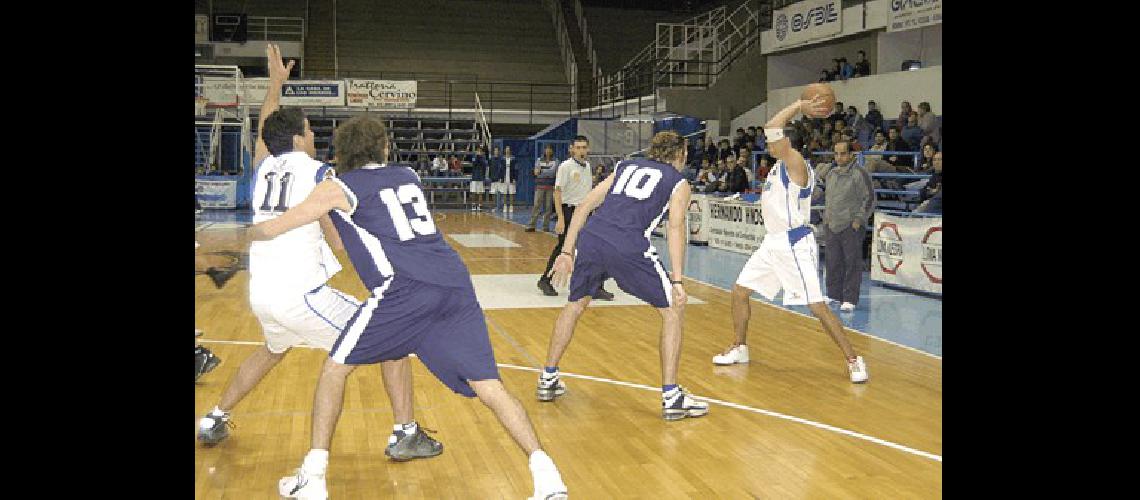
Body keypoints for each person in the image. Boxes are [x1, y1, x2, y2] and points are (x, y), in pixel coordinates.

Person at [250, 115, 569, 500]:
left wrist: (245, 237)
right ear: (383, 147)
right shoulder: (408, 175)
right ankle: (547, 476)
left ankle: (313, 479)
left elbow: (275, 226)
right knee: (490, 386)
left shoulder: (338, 188)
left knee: (335, 370)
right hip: (454, 283)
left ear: (345, 149)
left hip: (402, 290)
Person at [196, 46, 440, 465]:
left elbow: (263, 129)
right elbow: (343, 241)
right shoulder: (319, 174)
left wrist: (276, 85)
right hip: (302, 296)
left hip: (264, 295)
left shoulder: (264, 166)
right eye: (309, 132)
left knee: (272, 350)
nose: (313, 137)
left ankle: (214, 418)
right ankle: (406, 433)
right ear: (297, 139)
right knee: (394, 340)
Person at [537, 131, 709, 421]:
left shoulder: (626, 166)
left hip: (592, 238)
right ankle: (671, 396)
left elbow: (584, 206)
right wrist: (677, 280)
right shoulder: (678, 182)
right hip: (629, 244)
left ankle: (547, 378)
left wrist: (567, 252)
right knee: (673, 310)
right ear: (680, 154)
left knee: (575, 304)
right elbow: (676, 228)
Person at [710, 95, 869, 384]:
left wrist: (798, 105)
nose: (768, 146)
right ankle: (740, 346)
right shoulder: (777, 167)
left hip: (794, 243)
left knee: (817, 306)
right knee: (740, 291)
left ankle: (854, 359)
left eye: (774, 142)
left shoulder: (794, 161)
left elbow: (772, 125)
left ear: (787, 143)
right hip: (773, 243)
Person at [536, 136, 614, 301]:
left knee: (595, 248)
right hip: (569, 211)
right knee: (563, 248)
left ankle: (595, 286)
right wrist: (560, 218)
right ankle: (545, 280)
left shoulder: (587, 166)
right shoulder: (565, 167)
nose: (581, 151)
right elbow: (557, 193)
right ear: (571, 149)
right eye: (578, 148)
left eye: (584, 147)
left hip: (585, 212)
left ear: (588, 149)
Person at [819, 141, 874, 313]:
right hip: (832, 225)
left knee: (852, 263)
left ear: (851, 155)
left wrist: (858, 219)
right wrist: (827, 219)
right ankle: (833, 294)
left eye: (843, 153)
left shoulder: (860, 173)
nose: (839, 157)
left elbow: (869, 198)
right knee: (832, 262)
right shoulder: (831, 174)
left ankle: (850, 299)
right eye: (836, 153)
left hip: (851, 226)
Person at [526, 145, 559, 232]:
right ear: (544, 150)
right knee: (536, 205)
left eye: (549, 149)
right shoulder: (539, 160)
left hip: (550, 186)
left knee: (548, 207)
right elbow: (536, 172)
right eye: (546, 149)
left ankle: (545, 226)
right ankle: (532, 225)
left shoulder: (556, 161)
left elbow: (553, 172)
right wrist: (545, 172)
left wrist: (542, 171)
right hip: (540, 186)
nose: (548, 151)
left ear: (552, 151)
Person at [469, 145, 488, 211]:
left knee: (480, 193)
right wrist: (477, 156)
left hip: (481, 177)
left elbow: (484, 165)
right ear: (476, 151)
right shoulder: (474, 156)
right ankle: (473, 205)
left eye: (480, 150)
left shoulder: (484, 157)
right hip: (474, 177)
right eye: (478, 150)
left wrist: (480, 157)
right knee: (473, 192)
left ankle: (480, 206)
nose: (479, 151)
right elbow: (474, 164)